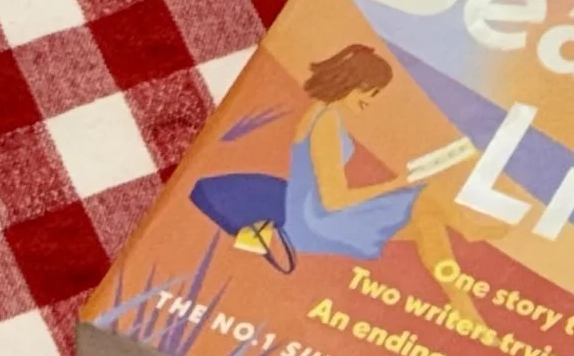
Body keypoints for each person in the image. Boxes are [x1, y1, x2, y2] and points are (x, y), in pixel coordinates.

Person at [190, 44, 487, 334]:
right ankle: (465, 268)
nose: (373, 98)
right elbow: (333, 200)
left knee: (428, 217)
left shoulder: (325, 115)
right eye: (370, 90)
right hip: (317, 221)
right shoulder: (327, 121)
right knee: (426, 207)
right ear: (351, 83)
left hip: (318, 212)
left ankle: (464, 302)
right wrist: (396, 184)